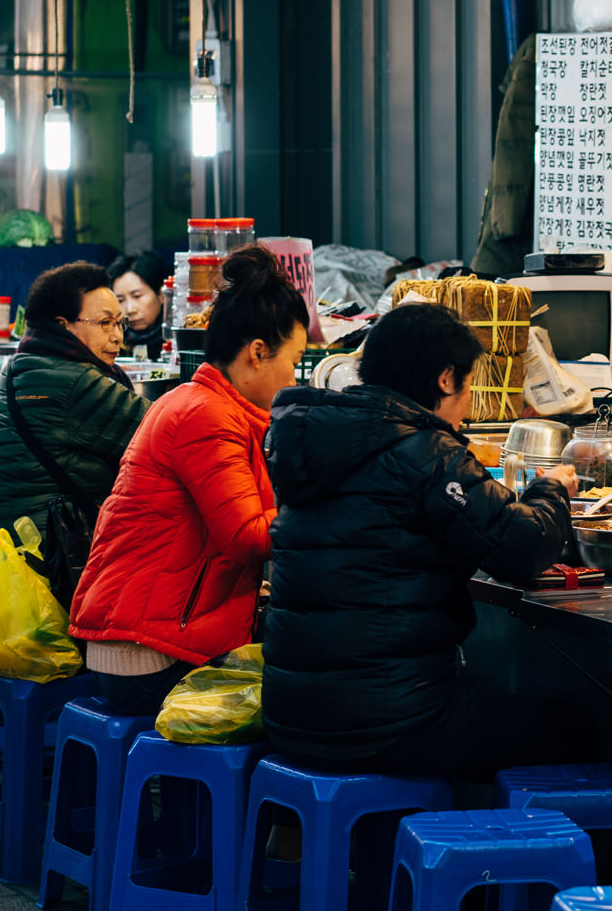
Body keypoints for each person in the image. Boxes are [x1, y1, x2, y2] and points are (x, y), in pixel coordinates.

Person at [262, 303, 579, 777]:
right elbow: (523, 547)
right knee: (577, 728)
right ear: (446, 379)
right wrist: (551, 488)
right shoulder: (426, 451)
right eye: (469, 386)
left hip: (292, 715)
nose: (468, 403)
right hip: (386, 724)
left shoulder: (316, 440)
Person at [67, 245, 309, 717]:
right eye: (295, 359)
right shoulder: (206, 416)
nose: (295, 375)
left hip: (152, 633)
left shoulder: (209, 406)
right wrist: (324, 508)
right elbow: (244, 537)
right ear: (258, 353)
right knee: (307, 699)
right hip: (146, 652)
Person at [0, 262, 147, 590]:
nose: (117, 336)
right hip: (25, 570)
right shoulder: (71, 382)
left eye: (119, 323)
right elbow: (167, 432)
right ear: (62, 326)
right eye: (104, 323)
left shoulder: (24, 365)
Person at [108, 251, 170, 360]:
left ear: (161, 295)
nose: (130, 310)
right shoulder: (112, 344)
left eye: (137, 296)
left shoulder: (177, 342)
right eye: (120, 300)